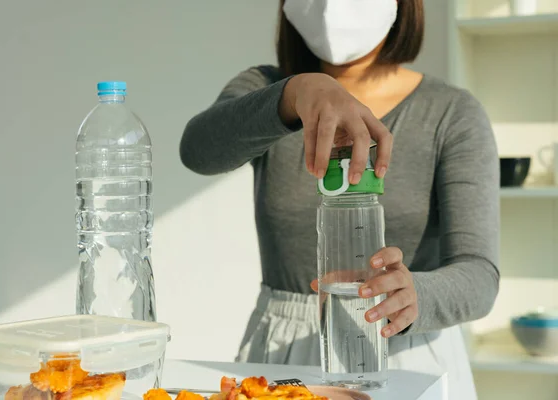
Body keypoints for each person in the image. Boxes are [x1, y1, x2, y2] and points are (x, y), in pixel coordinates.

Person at [179, 0, 500, 398]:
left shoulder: (451, 112)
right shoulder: (268, 91)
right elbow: (198, 151)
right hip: (281, 361)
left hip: (403, 352)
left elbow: (480, 274)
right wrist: (296, 92)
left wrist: (413, 294)